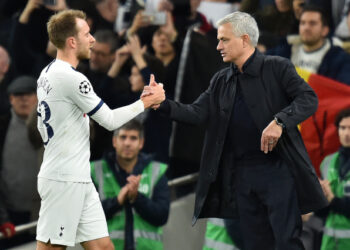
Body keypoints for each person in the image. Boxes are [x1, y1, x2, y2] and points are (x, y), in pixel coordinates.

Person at [146, 11, 328, 250]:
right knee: (254, 244)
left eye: (224, 39)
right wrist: (162, 103)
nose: (218, 45)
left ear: (244, 40)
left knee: (286, 242)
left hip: (278, 169)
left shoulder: (277, 67)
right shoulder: (221, 79)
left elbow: (308, 99)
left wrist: (280, 122)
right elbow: (196, 113)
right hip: (241, 174)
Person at [35, 9, 165, 250]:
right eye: (87, 34)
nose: (93, 39)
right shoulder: (72, 78)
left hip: (78, 177)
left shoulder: (47, 73)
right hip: (64, 179)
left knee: (103, 247)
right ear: (72, 41)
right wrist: (145, 102)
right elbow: (110, 120)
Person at [90, 120, 170, 250]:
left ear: (141, 143)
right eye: (123, 137)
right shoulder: (95, 170)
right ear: (114, 141)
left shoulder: (156, 171)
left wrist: (137, 198)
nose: (127, 143)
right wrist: (117, 201)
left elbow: (162, 216)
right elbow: (86, 215)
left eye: (133, 138)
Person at [0, 76, 40, 248]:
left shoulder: (52, 125)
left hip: (45, 214)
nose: (24, 99)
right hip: (10, 217)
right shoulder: (2, 127)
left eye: (29, 94)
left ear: (38, 97)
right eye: (18, 95)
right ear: (10, 99)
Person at [267, 5, 350, 85]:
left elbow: (342, 91)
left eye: (312, 23)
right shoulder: (284, 51)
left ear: (325, 30)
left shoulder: (339, 59)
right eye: (303, 23)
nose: (306, 28)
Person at [318, 107, 350, 250]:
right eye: (342, 128)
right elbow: (321, 213)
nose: (347, 133)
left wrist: (332, 199)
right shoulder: (327, 163)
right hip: (330, 243)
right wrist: (320, 196)